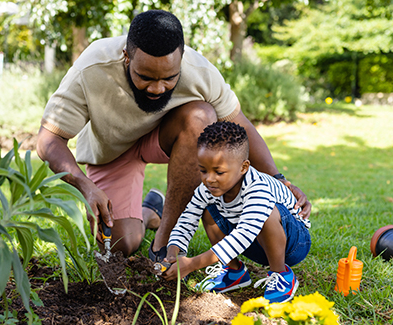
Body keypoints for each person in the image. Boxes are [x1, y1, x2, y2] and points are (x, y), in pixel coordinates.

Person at [36, 10, 311, 259]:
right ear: (126, 57)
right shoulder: (92, 68)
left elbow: (241, 128)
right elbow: (49, 140)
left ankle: (164, 241)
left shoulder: (199, 71)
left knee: (201, 117)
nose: (157, 89)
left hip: (167, 138)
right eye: (145, 77)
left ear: (180, 60)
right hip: (111, 152)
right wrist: (86, 186)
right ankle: (151, 211)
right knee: (123, 244)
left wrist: (279, 180)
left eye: (169, 78)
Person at [162, 121, 311, 304]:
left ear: (243, 167)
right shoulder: (207, 189)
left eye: (219, 172)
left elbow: (243, 235)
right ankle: (234, 272)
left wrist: (192, 264)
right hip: (254, 241)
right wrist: (173, 253)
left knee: (268, 213)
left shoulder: (258, 189)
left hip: (292, 244)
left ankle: (281, 274)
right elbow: (187, 220)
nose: (209, 179)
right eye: (203, 170)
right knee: (208, 210)